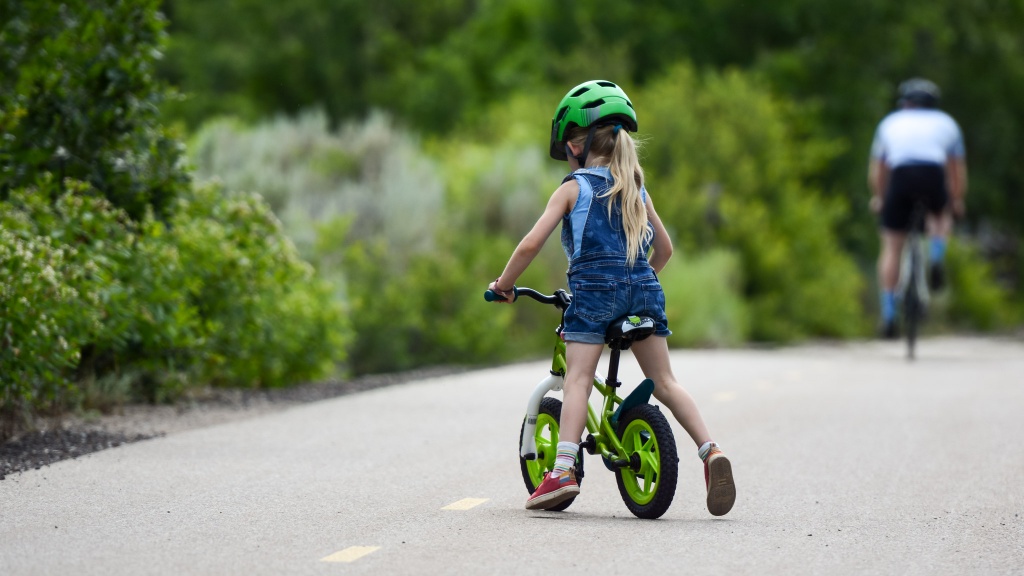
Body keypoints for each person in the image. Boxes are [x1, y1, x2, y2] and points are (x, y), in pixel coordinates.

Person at [487, 80, 736, 516]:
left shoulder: (572, 188)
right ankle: (711, 450)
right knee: (666, 382)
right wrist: (635, 284)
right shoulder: (635, 187)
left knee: (579, 378)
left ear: (576, 146)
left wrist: (503, 284)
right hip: (643, 290)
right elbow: (665, 250)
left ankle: (563, 470)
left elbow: (529, 246)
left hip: (593, 295)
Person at [868, 78, 968, 339]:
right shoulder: (947, 123)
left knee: (891, 246)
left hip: (900, 175)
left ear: (905, 103)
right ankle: (936, 254)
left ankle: (888, 316)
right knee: (939, 215)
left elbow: (878, 169)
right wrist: (955, 201)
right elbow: (956, 171)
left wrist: (879, 197)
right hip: (932, 173)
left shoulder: (889, 123)